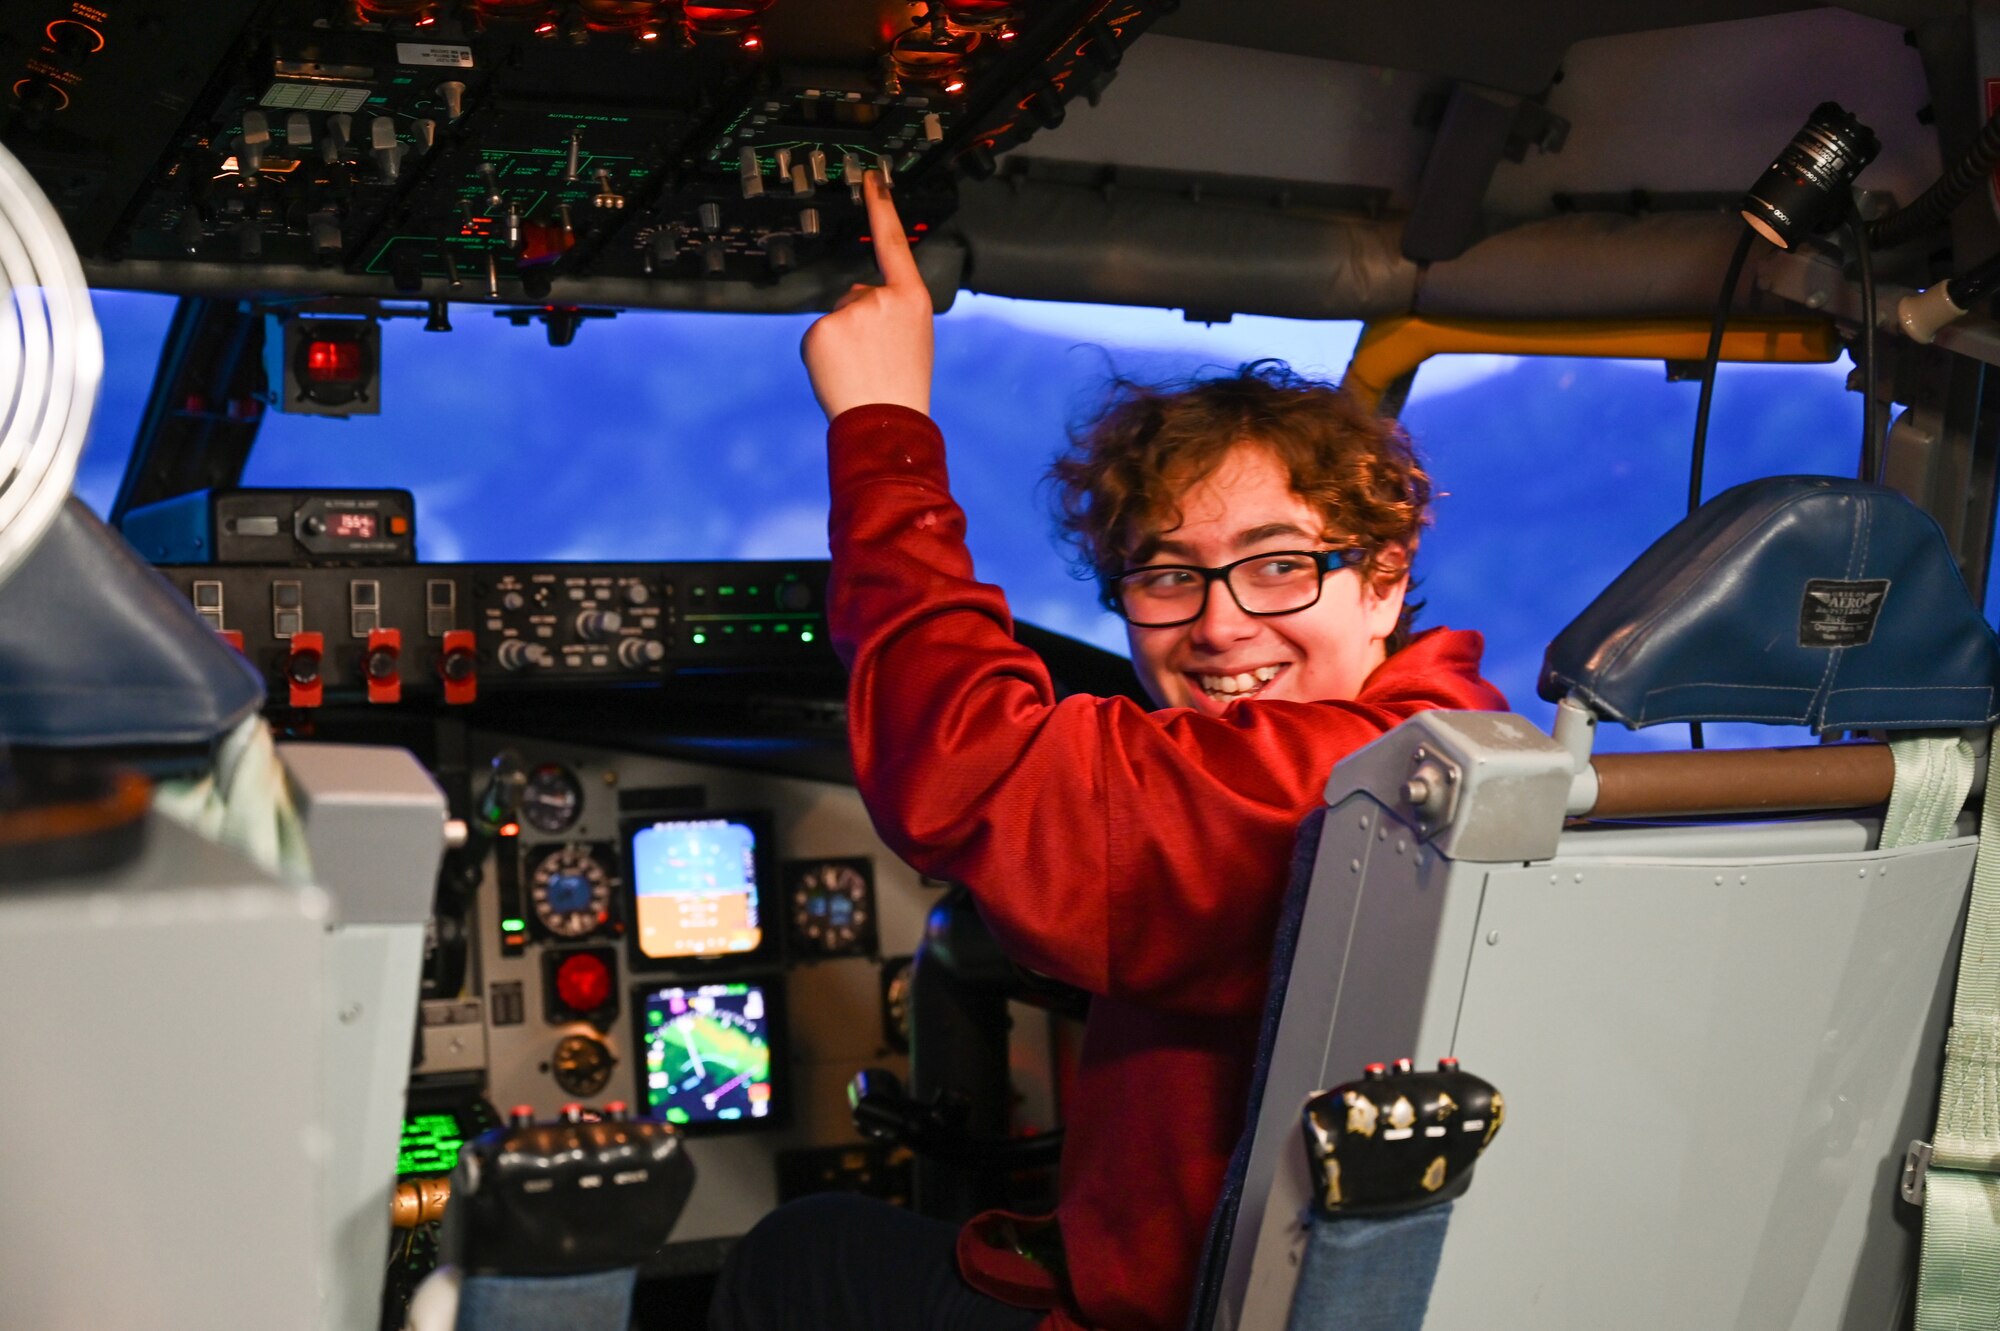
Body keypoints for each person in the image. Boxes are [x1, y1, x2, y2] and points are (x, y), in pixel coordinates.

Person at [709, 174, 1506, 1331]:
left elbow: (972, 769)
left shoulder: (1345, 785)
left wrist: (880, 424)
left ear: (1381, 577)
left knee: (802, 1251)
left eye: (1279, 562)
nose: (1221, 624)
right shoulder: (1460, 731)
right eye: (1167, 574)